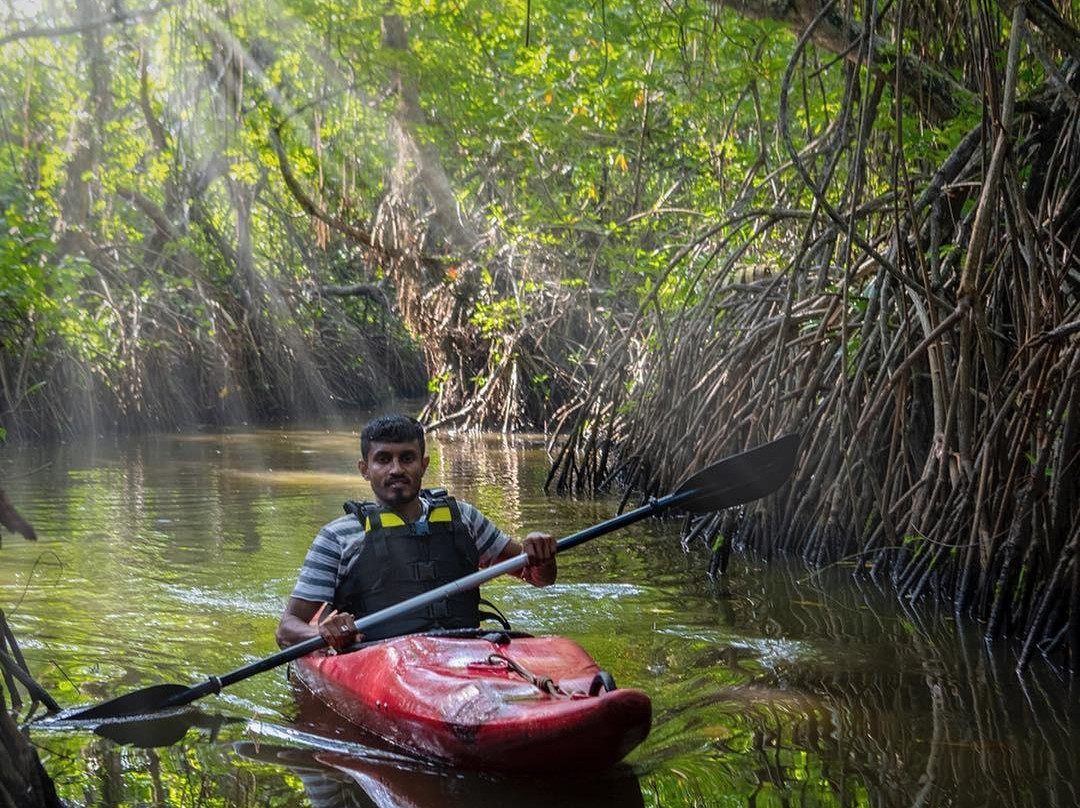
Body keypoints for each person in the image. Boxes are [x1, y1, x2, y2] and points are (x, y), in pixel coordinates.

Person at [276, 414, 557, 650]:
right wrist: (322, 634)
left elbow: (540, 578)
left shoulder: (466, 519)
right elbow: (287, 630)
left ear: (423, 464)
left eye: (407, 458)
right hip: (379, 659)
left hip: (467, 651)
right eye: (383, 460)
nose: (396, 469)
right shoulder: (337, 537)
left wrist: (541, 554)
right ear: (365, 469)